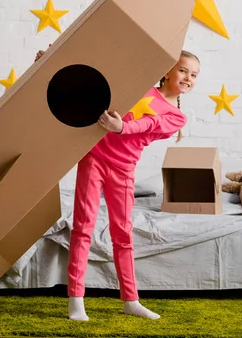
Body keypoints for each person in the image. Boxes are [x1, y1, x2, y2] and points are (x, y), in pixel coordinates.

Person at [35, 48, 200, 321]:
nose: (188, 78)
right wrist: (51, 63)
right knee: (83, 227)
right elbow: (96, 82)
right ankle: (76, 299)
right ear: (167, 71)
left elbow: (148, 124)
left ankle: (131, 300)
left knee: (122, 235)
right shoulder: (141, 87)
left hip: (123, 170)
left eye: (194, 75)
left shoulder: (177, 118)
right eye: (183, 70)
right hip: (94, 158)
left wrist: (121, 128)